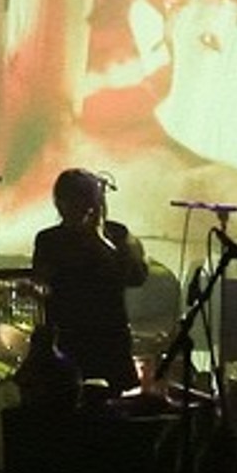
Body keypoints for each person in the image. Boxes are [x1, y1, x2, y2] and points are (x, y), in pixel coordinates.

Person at [31, 168, 149, 400]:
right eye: (72, 201)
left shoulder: (117, 234)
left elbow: (136, 276)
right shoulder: (49, 240)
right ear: (60, 204)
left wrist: (99, 238)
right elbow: (43, 282)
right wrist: (36, 290)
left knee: (110, 407)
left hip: (108, 339)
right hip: (67, 339)